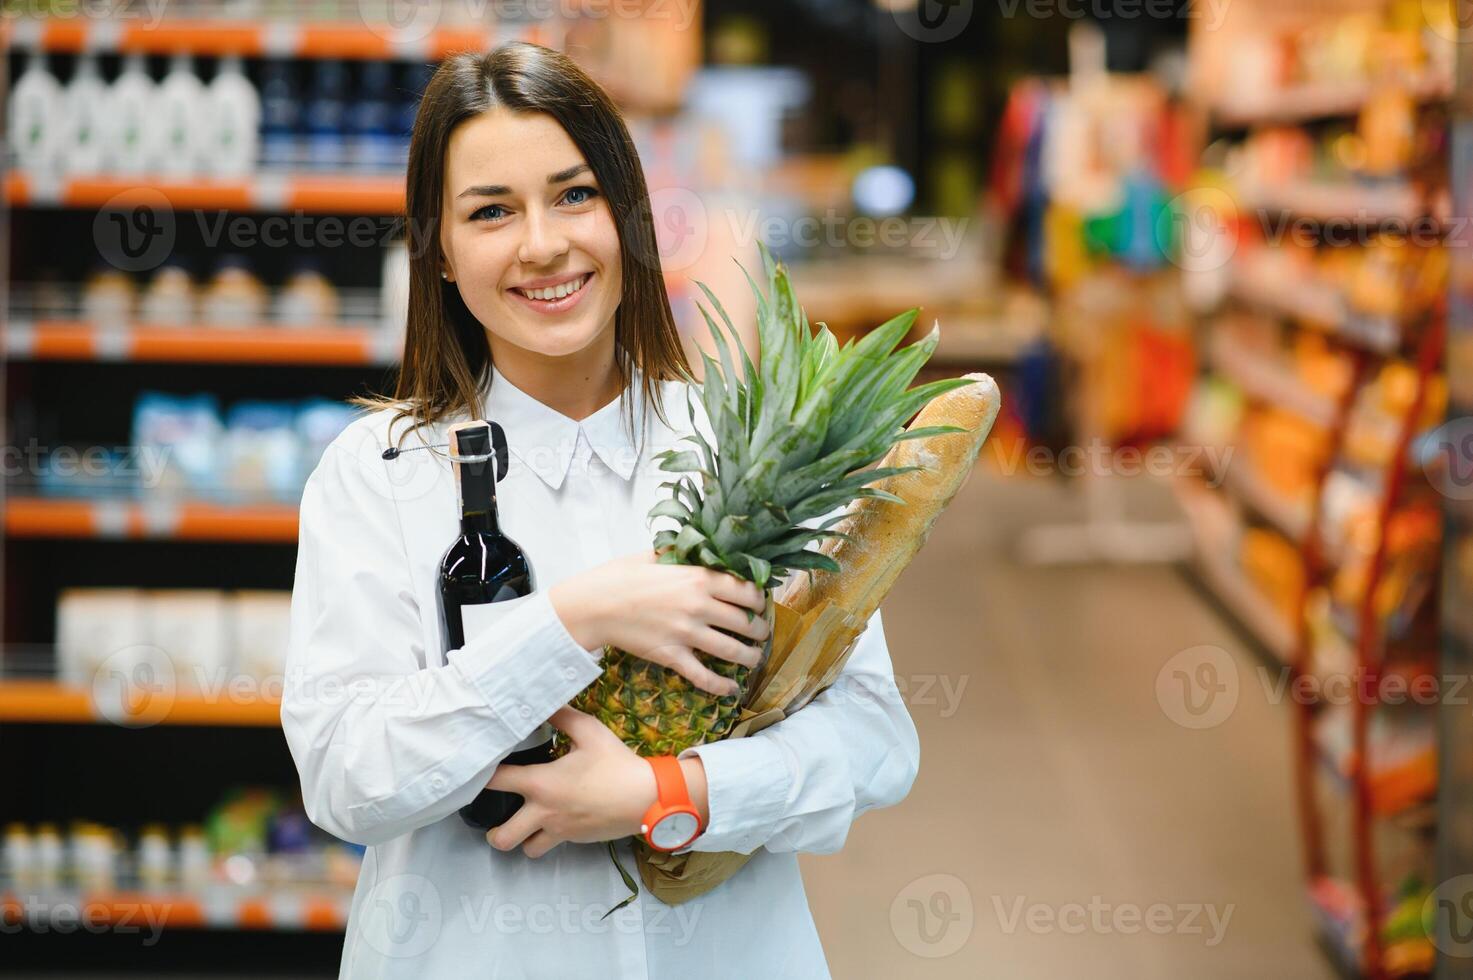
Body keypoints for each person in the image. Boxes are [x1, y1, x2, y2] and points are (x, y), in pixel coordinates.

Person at [281, 42, 919, 978]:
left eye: (574, 195)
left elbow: (873, 739)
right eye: (491, 212)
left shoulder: (748, 451)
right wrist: (573, 622)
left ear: (630, 219)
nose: (542, 243)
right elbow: (345, 778)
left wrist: (667, 792)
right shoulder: (376, 475)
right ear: (442, 255)